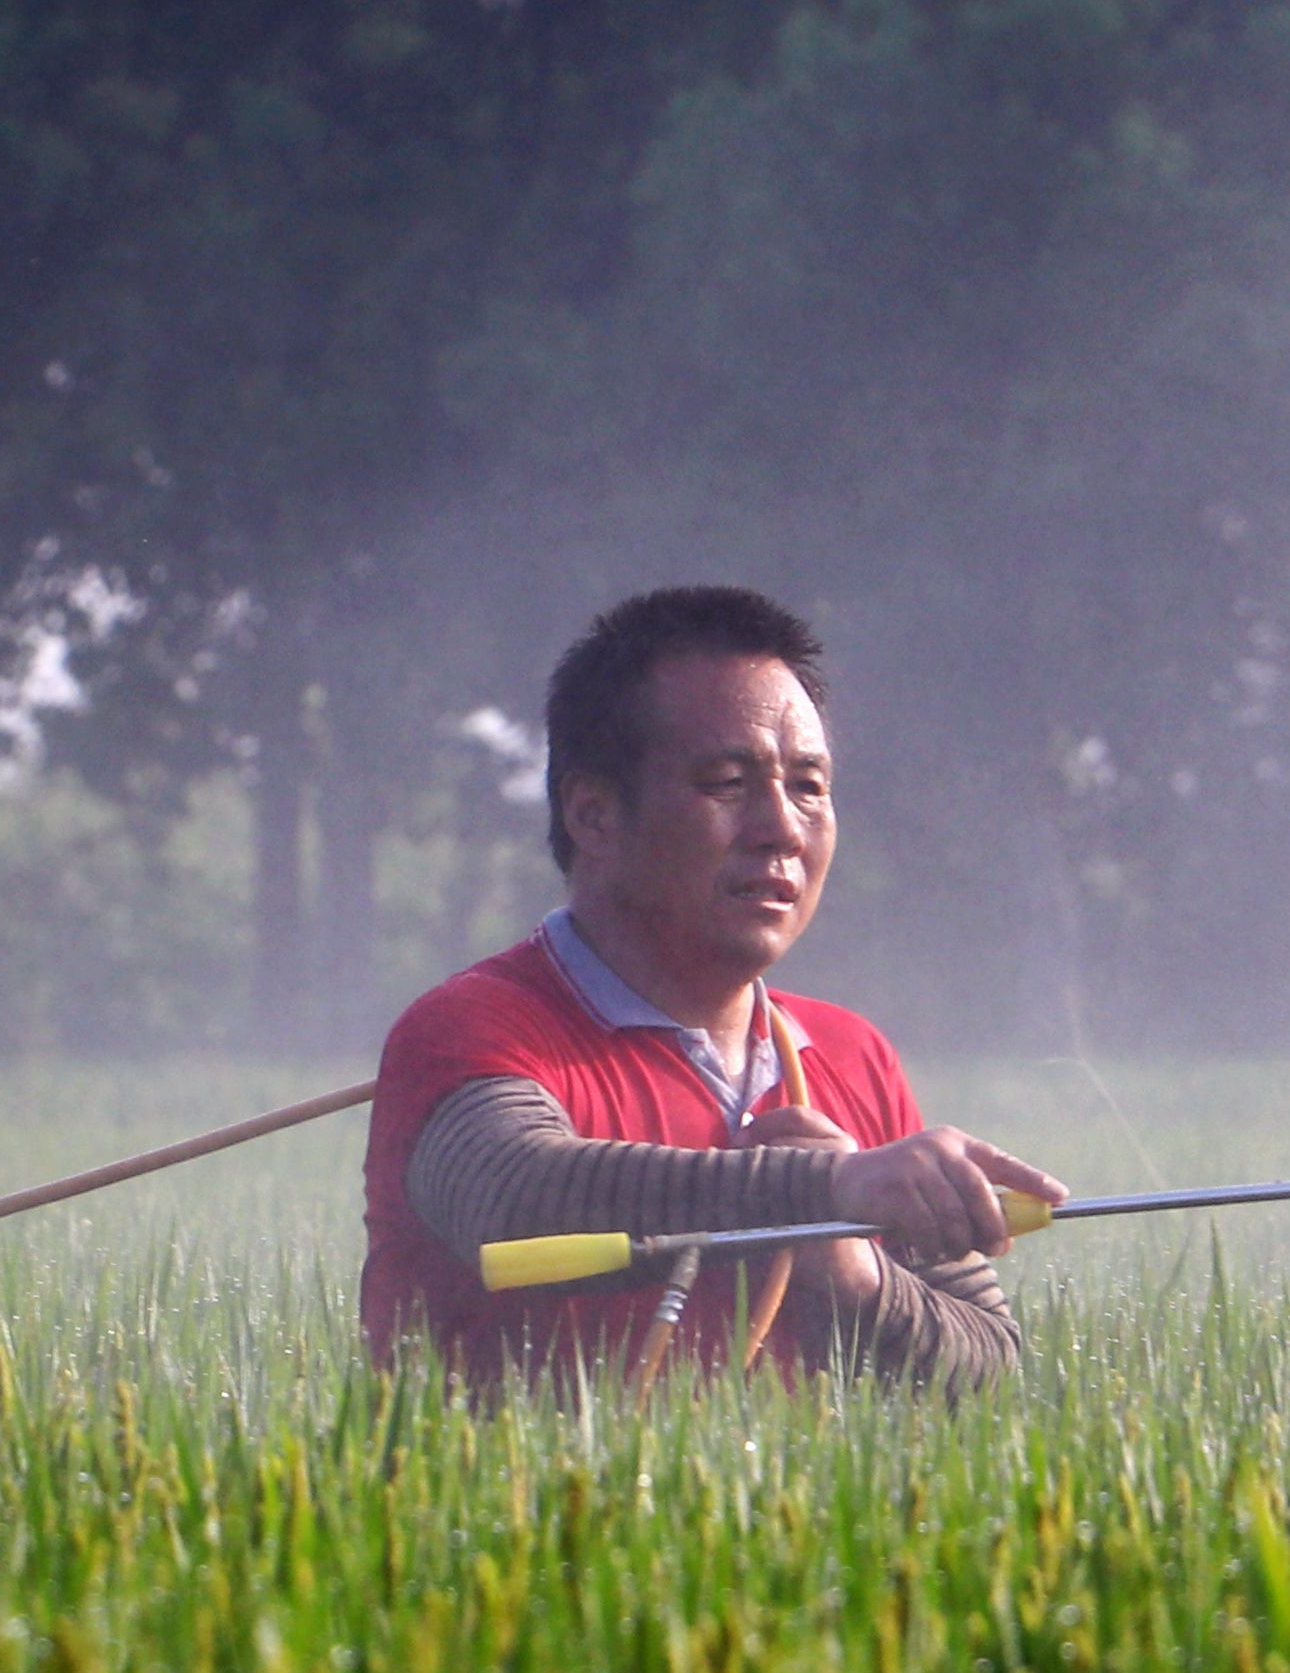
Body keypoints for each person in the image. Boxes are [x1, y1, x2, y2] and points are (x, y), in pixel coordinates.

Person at [362, 587, 1066, 1385]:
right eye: (728, 782)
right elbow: (511, 1198)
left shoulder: (849, 1053)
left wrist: (851, 1273)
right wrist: (825, 1188)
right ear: (593, 815)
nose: (782, 827)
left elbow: (993, 1366)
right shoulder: (475, 1026)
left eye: (808, 785)